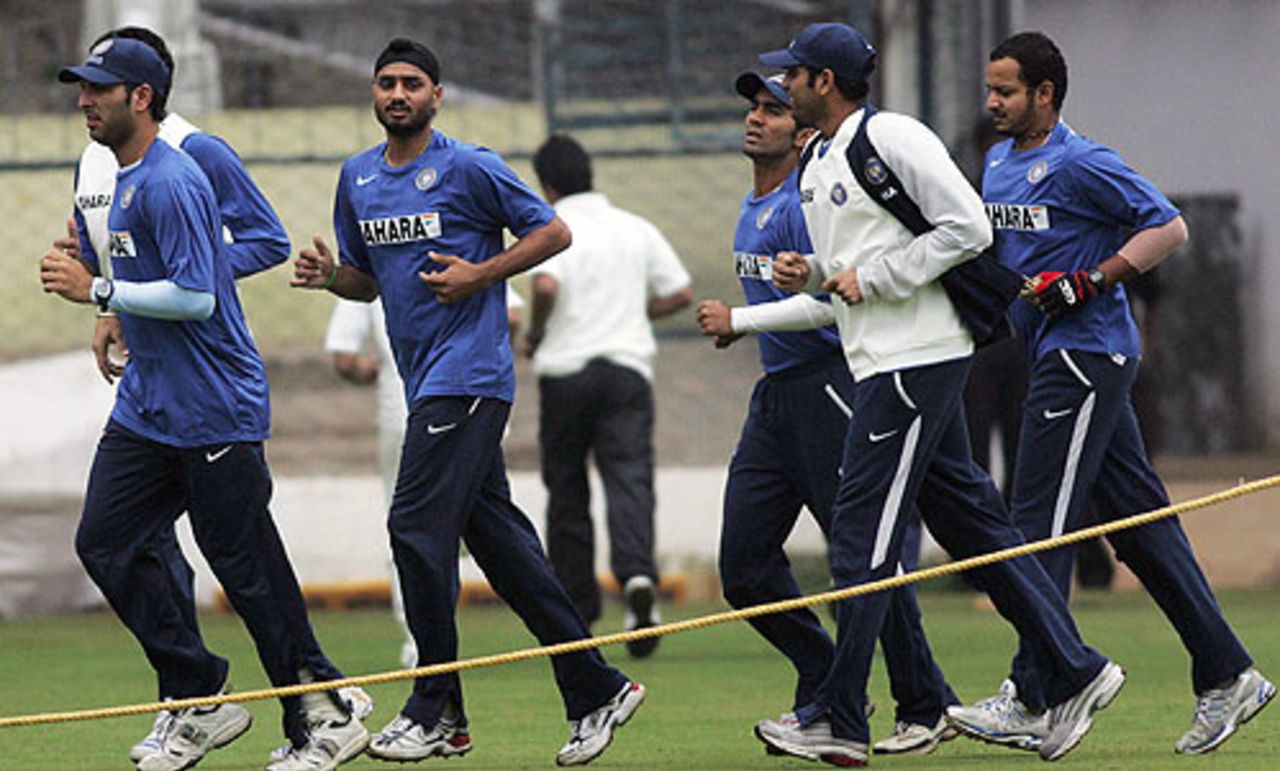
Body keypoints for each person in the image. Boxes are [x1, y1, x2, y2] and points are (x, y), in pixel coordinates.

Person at [749, 22, 1125, 765]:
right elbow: (854, 277)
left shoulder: (893, 137)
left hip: (915, 360)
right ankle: (1077, 668)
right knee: (975, 526)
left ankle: (839, 715)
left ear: (825, 82)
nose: (781, 86)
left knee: (862, 536)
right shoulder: (819, 159)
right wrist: (816, 277)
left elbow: (968, 228)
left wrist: (872, 278)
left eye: (792, 75)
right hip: (881, 360)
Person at [291, 38, 645, 766]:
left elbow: (554, 229)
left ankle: (432, 704)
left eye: (411, 83)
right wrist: (332, 277)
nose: (397, 93)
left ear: (436, 96)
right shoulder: (357, 177)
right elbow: (369, 278)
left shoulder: (468, 166)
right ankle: (594, 685)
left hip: (472, 375)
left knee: (414, 524)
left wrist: (482, 273)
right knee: (503, 547)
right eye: (385, 82)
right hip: (426, 379)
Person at [40, 37, 367, 771]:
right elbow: (140, 269)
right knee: (106, 541)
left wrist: (97, 290)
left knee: (245, 566)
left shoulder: (173, 177)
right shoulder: (117, 175)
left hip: (214, 405)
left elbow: (195, 295)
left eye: (100, 88)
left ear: (142, 97)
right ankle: (199, 692)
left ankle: (323, 713)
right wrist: (97, 278)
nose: (84, 100)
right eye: (81, 87)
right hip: (148, 407)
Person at [946, 30, 1274, 756]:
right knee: (1140, 526)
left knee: (1037, 519)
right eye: (990, 90)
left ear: (1045, 95)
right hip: (1048, 353)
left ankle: (1041, 692)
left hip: (1088, 356)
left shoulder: (1082, 160)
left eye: (1006, 91)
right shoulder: (997, 162)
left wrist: (1091, 278)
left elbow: (1171, 226)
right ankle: (1228, 672)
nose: (993, 103)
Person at [695, 70, 958, 755]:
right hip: (775, 397)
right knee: (746, 568)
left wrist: (745, 318)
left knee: (863, 558)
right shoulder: (754, 204)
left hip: (829, 387)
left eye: (773, 111)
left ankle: (920, 701)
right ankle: (826, 676)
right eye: (751, 107)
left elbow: (833, 296)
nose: (756, 119)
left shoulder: (805, 203)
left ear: (803, 129)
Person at [522, 134, 692, 658]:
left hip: (566, 372)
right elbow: (680, 292)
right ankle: (638, 577)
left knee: (567, 491)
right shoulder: (634, 227)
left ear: (547, 184)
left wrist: (536, 332)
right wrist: (636, 316)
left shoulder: (554, 229)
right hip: (625, 370)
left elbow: (546, 288)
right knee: (629, 478)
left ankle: (577, 611)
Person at [325, 288, 524, 669]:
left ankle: (422, 640)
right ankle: (555, 630)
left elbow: (345, 357)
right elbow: (512, 315)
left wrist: (374, 370)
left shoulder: (369, 269)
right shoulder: (454, 251)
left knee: (412, 528)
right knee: (485, 521)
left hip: (405, 414)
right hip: (476, 403)